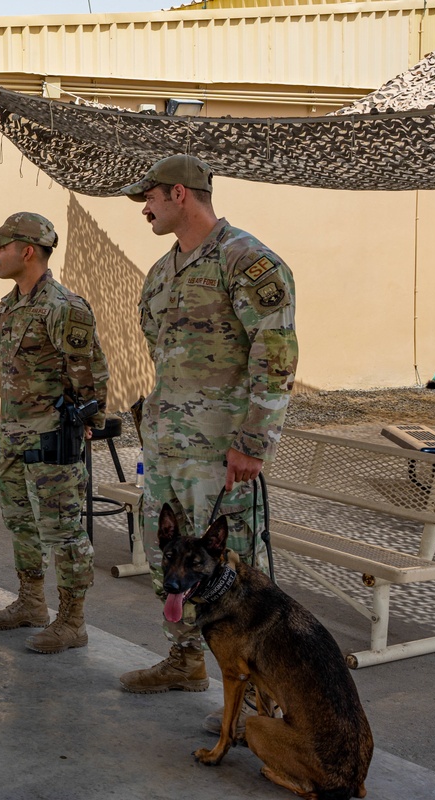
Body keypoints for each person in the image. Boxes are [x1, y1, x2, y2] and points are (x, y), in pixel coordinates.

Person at [117, 154, 299, 726]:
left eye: (148, 198)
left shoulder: (247, 261)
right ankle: (184, 658)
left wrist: (253, 440)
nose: (143, 209)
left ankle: (255, 699)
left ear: (179, 194)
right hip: (170, 450)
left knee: (235, 573)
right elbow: (160, 353)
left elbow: (276, 356)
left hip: (223, 454)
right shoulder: (161, 272)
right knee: (167, 558)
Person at [0, 212, 109, 653]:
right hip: (13, 433)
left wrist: (87, 424)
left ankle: (73, 621)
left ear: (27, 251)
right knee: (21, 523)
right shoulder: (10, 304)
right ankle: (31, 603)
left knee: (63, 531)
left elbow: (89, 375)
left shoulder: (64, 308)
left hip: (52, 438)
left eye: (1, 246)